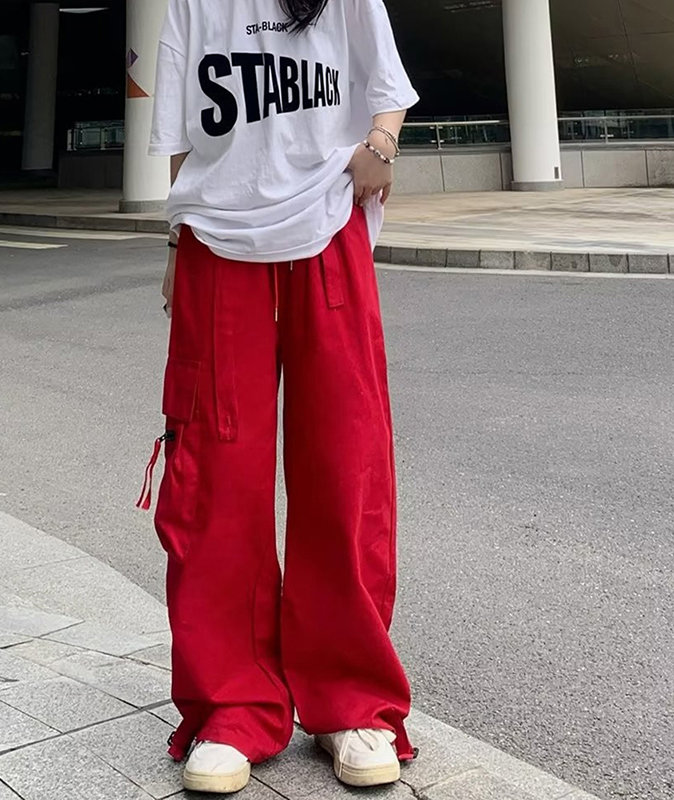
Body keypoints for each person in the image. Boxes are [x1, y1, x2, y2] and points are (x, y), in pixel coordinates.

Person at [142, 0, 420, 793]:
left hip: (328, 230)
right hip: (217, 244)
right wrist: (175, 240)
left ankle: (352, 702)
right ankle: (232, 706)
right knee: (214, 475)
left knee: (345, 465)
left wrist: (381, 145)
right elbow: (184, 141)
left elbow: (387, 87)